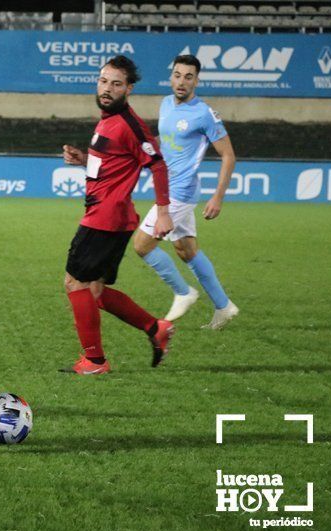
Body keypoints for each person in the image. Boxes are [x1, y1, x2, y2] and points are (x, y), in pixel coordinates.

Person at [61, 55, 175, 375]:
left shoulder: (130, 125)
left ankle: (95, 361)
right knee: (94, 292)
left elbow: (158, 164)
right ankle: (156, 329)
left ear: (129, 89)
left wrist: (164, 212)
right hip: (111, 217)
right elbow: (114, 165)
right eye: (103, 81)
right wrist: (83, 159)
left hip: (105, 218)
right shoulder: (107, 119)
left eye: (116, 84)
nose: (107, 89)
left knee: (75, 284)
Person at [133, 54, 239, 329]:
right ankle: (224, 306)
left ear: (197, 81)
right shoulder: (166, 103)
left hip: (179, 190)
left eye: (188, 77)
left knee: (142, 245)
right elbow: (165, 141)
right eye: (178, 75)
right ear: (171, 77)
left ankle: (183, 292)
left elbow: (228, 155)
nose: (182, 81)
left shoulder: (204, 113)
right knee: (186, 249)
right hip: (167, 185)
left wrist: (218, 197)